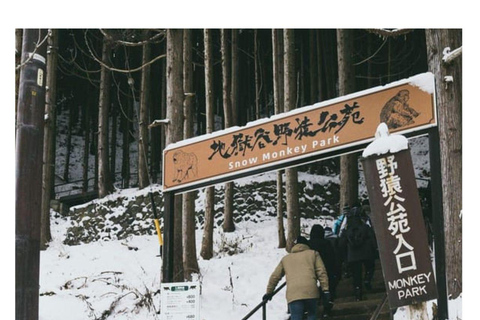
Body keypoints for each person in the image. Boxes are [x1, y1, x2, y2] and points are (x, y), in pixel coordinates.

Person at [263, 236, 330, 320]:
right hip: (310, 290)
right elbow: (322, 272)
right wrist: (325, 289)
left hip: (294, 293)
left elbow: (275, 276)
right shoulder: (313, 254)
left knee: (296, 316)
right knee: (312, 315)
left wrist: (269, 292)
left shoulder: (286, 259)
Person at [339, 207, 377, 301]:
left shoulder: (347, 230)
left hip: (353, 255)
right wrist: (374, 250)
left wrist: (344, 257)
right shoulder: (365, 227)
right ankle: (367, 279)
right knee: (370, 267)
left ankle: (358, 293)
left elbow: (341, 244)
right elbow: (373, 239)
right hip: (366, 253)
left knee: (356, 275)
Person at [309, 225, 338, 317]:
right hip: (326, 268)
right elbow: (333, 258)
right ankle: (326, 308)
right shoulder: (327, 243)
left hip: (311, 269)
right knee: (327, 288)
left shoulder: (308, 244)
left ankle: (311, 309)